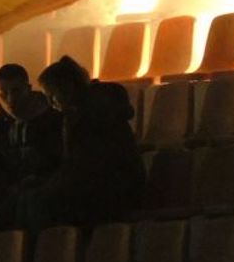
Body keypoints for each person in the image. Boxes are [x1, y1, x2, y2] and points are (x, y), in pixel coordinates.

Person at [17, 56, 143, 231]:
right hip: (102, 185)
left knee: (37, 203)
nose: (51, 103)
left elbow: (85, 166)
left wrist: (50, 185)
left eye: (52, 95)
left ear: (67, 88)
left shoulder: (93, 116)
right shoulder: (82, 113)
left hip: (113, 190)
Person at [0, 63, 63, 231]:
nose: (10, 99)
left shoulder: (53, 121)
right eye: (3, 93)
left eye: (16, 91)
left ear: (28, 89)